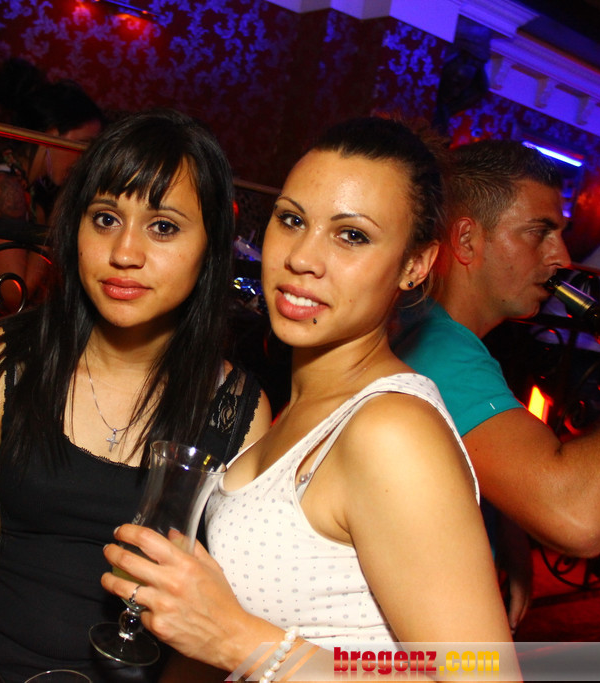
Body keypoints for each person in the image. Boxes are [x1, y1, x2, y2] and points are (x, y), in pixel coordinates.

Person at [100, 117, 518, 679]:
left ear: (415, 265)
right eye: (292, 220)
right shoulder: (300, 408)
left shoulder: (393, 430)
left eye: (352, 236)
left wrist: (238, 640)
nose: (301, 257)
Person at [0, 109, 273, 682]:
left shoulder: (237, 412)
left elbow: (220, 621)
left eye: (163, 227)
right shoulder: (1, 362)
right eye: (105, 219)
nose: (125, 252)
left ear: (210, 248)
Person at [392, 139, 600, 571]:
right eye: (539, 233)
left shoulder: (419, 319)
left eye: (560, 234)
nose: (562, 258)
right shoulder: (440, 350)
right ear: (466, 240)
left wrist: (504, 527)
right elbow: (578, 518)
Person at [0, 58, 104, 313]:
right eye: (84, 144)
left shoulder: (29, 193)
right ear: (52, 134)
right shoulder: (5, 187)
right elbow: (13, 294)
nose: (85, 158)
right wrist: (55, 219)